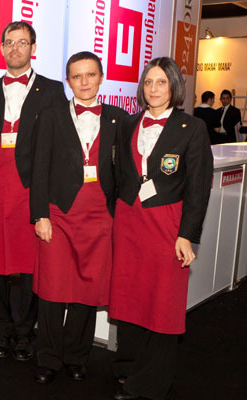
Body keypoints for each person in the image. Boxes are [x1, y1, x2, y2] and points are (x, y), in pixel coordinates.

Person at [109, 57, 213, 400]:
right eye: (148, 82)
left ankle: (151, 382)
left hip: (167, 224)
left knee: (162, 301)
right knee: (129, 296)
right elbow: (119, 175)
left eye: (161, 82)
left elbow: (198, 187)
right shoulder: (128, 123)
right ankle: (127, 366)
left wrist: (187, 235)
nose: (153, 89)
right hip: (129, 221)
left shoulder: (192, 127)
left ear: (174, 87)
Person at [30, 51, 127, 383]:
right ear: (68, 81)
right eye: (77, 76)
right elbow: (39, 168)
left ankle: (76, 356)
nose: (84, 82)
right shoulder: (51, 115)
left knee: (87, 290)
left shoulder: (119, 118)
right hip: (58, 214)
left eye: (90, 74)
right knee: (52, 289)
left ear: (101, 78)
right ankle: (48, 357)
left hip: (100, 217)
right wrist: (40, 215)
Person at [0, 21, 66, 360]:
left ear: (33, 48)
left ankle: (26, 332)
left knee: (31, 264)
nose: (15, 48)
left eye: (22, 42)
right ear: (1, 48)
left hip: (32, 188)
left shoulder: (53, 90)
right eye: (9, 42)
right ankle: (0, 331)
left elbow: (60, 141)